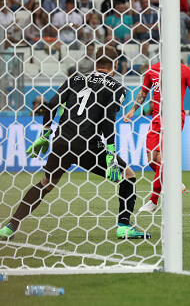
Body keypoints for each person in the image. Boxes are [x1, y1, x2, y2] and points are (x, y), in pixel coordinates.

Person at [0, 47, 150, 240]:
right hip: (88, 145)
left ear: (95, 62)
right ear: (114, 65)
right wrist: (111, 153)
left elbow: (50, 107)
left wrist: (45, 134)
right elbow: (107, 121)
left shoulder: (75, 79)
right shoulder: (117, 87)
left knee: (46, 183)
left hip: (62, 141)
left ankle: (10, 226)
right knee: (128, 176)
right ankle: (123, 226)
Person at [124, 62, 190, 212]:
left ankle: (153, 201)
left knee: (161, 159)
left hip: (174, 120)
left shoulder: (184, 71)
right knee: (151, 159)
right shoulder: (152, 70)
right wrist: (133, 110)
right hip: (156, 120)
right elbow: (143, 92)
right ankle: (174, 181)